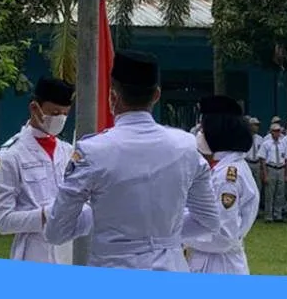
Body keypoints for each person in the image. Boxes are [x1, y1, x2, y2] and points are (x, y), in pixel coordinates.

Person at [44, 50, 220, 271]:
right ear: (156, 95)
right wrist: (164, 234)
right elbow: (209, 221)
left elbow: (56, 232)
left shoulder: (93, 151)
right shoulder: (185, 146)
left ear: (113, 97)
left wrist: (100, 216)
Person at [0, 77, 91, 263]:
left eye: (64, 114)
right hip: (34, 251)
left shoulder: (68, 151)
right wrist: (46, 214)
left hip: (69, 249)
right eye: (54, 113)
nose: (59, 119)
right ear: (35, 108)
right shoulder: (10, 156)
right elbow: (3, 221)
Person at [182, 95, 259, 275]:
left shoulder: (227, 176)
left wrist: (177, 232)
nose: (200, 133)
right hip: (207, 261)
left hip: (219, 265)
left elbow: (223, 235)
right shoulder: (222, 168)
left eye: (203, 128)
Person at [258, 122, 287, 222]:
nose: (277, 133)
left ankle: (278, 214)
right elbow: (262, 160)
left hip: (281, 168)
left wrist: (286, 174)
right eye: (275, 131)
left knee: (280, 193)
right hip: (270, 168)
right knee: (269, 194)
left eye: (278, 131)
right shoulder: (266, 144)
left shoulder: (283, 143)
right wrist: (265, 174)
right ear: (271, 132)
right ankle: (268, 216)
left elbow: (286, 159)